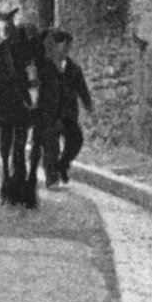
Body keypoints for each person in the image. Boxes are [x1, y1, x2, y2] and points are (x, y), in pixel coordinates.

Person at [43, 30, 92, 187]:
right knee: (52, 147)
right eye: (64, 47)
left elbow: (82, 89)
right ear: (56, 45)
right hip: (50, 114)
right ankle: (52, 179)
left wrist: (88, 104)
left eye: (68, 48)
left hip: (69, 114)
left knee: (76, 140)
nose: (66, 51)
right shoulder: (45, 66)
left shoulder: (74, 68)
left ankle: (62, 166)